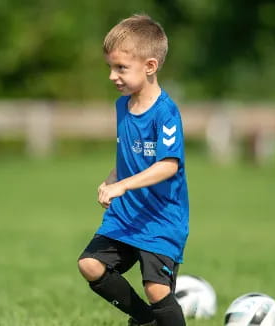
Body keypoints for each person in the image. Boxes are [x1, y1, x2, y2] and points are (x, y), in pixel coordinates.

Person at [77, 14, 189, 326]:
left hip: (161, 219)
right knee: (90, 264)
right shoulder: (122, 106)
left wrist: (122, 186)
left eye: (121, 68)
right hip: (126, 215)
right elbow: (128, 156)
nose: (113, 76)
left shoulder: (165, 113)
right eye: (110, 67)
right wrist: (113, 178)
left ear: (150, 66)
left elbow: (168, 165)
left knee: (156, 289)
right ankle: (144, 320)